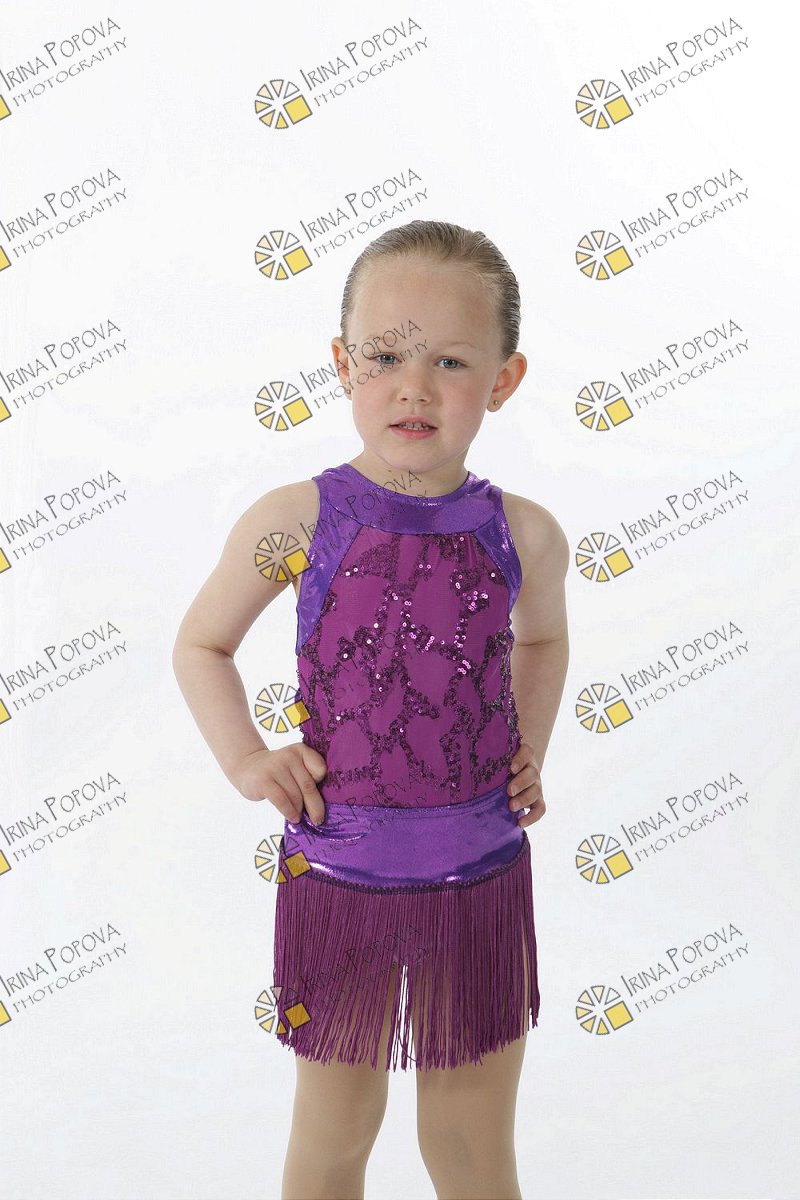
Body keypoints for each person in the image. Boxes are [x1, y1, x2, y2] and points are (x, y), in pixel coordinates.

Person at [172, 218, 570, 1200]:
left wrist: (526, 745)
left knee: (469, 1145)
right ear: (342, 363)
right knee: (334, 1130)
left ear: (504, 380)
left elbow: (541, 642)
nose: (413, 387)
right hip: (339, 871)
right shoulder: (296, 521)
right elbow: (201, 644)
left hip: (479, 875)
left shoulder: (523, 534)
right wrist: (247, 760)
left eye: (449, 361)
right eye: (385, 357)